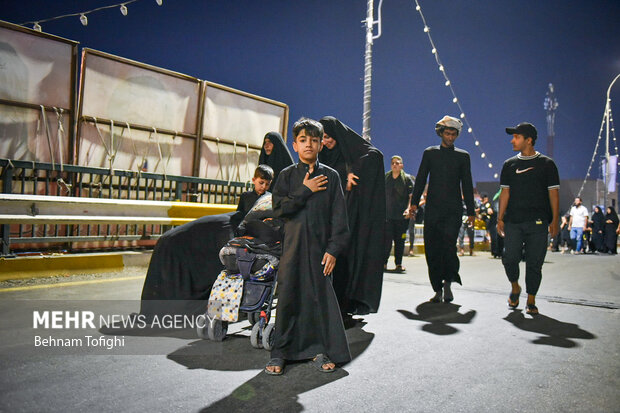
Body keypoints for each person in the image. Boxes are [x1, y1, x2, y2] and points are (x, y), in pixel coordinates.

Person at [265, 118, 350, 376]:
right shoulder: (286, 176)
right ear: (294, 145)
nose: (309, 144)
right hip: (292, 250)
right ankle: (281, 353)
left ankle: (325, 349)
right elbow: (279, 209)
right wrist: (305, 189)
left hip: (321, 251)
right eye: (303, 140)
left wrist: (333, 250)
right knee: (289, 298)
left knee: (320, 300)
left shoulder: (332, 177)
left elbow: (340, 218)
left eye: (314, 140)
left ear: (321, 144)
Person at [140, 165, 273, 318]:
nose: (263, 187)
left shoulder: (268, 198)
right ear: (254, 180)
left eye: (267, 184)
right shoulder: (247, 196)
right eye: (261, 182)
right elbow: (239, 215)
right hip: (234, 231)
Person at [319, 116, 386, 315]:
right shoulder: (322, 157)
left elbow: (375, 155)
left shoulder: (350, 154)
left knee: (344, 263)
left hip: (348, 222)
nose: (325, 142)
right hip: (326, 219)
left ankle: (343, 308)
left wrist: (353, 169)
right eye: (321, 138)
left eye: (329, 137)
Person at [409, 115, 475, 303]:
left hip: (453, 210)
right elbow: (421, 178)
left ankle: (448, 282)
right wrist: (413, 202)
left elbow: (467, 185)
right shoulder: (430, 153)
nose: (450, 137)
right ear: (441, 133)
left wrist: (471, 211)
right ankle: (437, 288)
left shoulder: (463, 157)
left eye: (454, 134)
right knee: (432, 249)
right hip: (433, 210)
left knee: (448, 247)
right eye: (447, 133)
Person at [497, 122, 559, 315]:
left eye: (516, 137)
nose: (512, 140)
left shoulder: (547, 164)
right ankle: (515, 287)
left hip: (538, 222)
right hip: (513, 221)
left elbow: (553, 194)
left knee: (534, 263)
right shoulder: (509, 164)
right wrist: (500, 218)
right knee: (509, 258)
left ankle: (531, 300)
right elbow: (504, 192)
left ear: (529, 140)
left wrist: (555, 220)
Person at [384, 155, 414, 272]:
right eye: (392, 163)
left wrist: (408, 209)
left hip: (401, 217)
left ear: (402, 165)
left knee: (399, 241)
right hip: (388, 216)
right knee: (386, 241)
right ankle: (384, 264)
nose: (394, 165)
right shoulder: (386, 177)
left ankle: (398, 264)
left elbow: (411, 197)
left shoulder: (407, 179)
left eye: (397, 163)